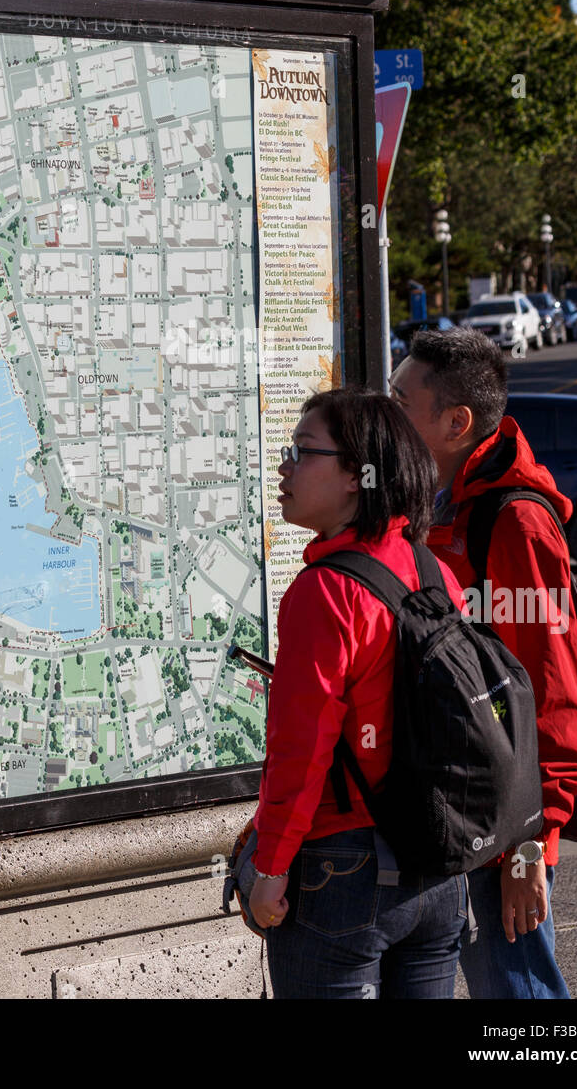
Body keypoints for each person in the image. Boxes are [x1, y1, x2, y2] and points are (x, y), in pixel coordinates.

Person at [250, 387, 469, 1000]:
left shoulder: (326, 591)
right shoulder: (432, 570)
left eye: (302, 452)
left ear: (356, 476)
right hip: (436, 867)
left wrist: (270, 869)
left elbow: (302, 746)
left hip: (344, 869)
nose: (284, 467)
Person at [391, 327, 577, 1000]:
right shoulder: (436, 505)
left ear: (456, 422)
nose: (387, 416)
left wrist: (531, 848)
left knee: (519, 1001)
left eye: (400, 401)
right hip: (448, 805)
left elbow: (554, 691)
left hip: (502, 825)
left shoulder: (512, 522)